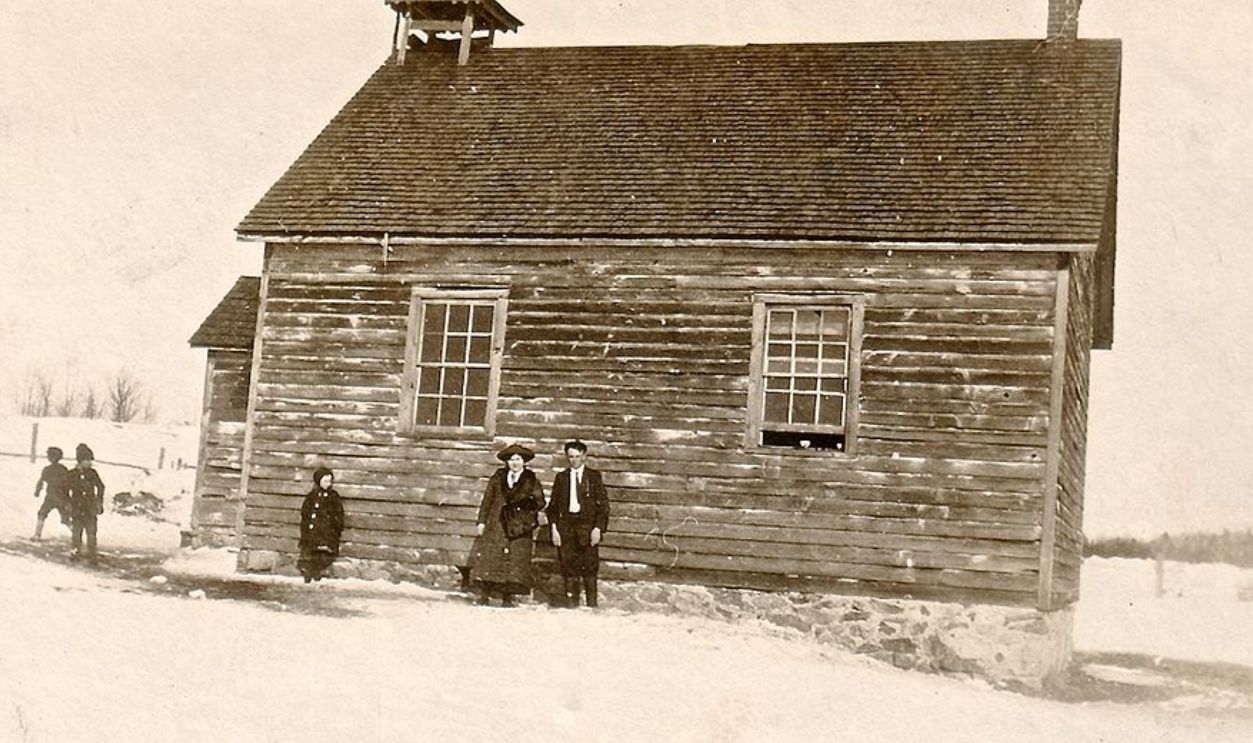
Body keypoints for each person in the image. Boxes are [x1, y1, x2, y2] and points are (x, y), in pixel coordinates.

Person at [469, 443, 546, 607]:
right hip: (496, 523)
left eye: (518, 459)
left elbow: (539, 502)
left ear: (524, 461)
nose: (515, 463)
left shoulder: (531, 480)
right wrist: (481, 521)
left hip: (519, 526)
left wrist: (521, 508)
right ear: (506, 462)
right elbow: (487, 501)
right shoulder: (497, 478)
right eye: (511, 460)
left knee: (514, 561)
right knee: (491, 559)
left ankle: (508, 597)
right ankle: (484, 595)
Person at [546, 440, 609, 608]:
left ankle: (591, 606)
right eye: (570, 457)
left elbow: (603, 507)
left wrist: (598, 529)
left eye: (577, 456)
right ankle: (571, 605)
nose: (574, 460)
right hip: (566, 526)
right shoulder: (562, 478)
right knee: (568, 567)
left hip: (587, 527)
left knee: (589, 567)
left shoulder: (594, 477)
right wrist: (554, 529)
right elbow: (552, 508)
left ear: (584, 456)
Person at [298, 467, 344, 583]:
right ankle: (308, 573)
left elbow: (338, 513)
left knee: (323, 554)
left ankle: (317, 571)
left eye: (330, 481)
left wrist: (336, 527)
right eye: (325, 481)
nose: (328, 484)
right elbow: (305, 513)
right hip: (313, 531)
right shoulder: (311, 496)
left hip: (326, 532)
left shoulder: (333, 496)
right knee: (310, 552)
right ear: (318, 481)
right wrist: (306, 527)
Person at [66, 443, 105, 561]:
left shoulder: (92, 473)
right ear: (80, 461)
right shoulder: (72, 474)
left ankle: (92, 553)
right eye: (87, 460)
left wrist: (99, 501)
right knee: (76, 531)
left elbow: (101, 486)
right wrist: (67, 503)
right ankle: (75, 551)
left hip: (90, 506)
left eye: (90, 460)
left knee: (91, 530)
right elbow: (64, 489)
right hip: (77, 506)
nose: (89, 463)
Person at [33, 446, 71, 539]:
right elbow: (41, 481)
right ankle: (76, 534)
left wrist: (38, 491)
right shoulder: (61, 469)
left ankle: (37, 534)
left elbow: (41, 481)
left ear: (54, 457)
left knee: (43, 514)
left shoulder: (50, 469)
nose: (48, 457)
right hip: (57, 497)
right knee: (64, 518)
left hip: (55, 497)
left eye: (50, 455)